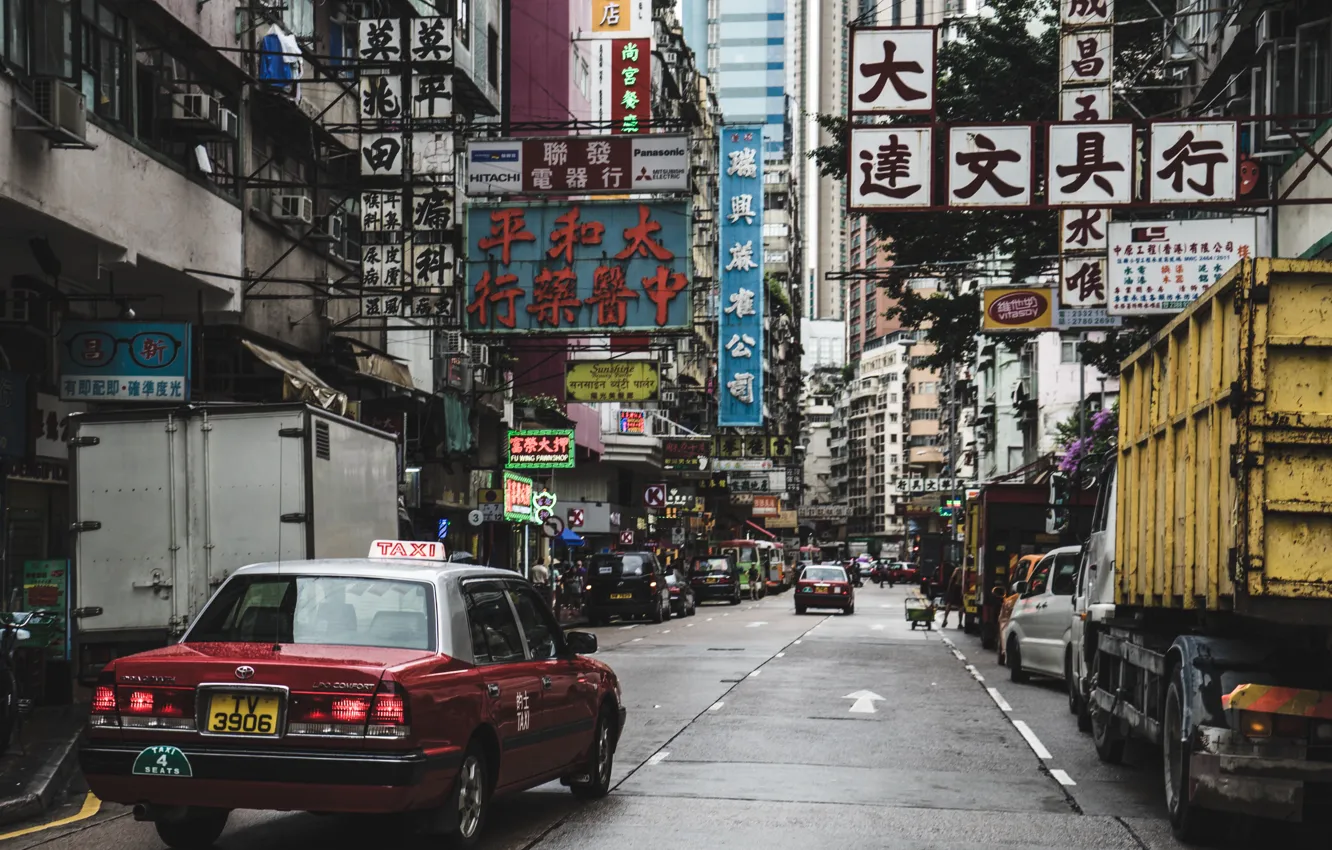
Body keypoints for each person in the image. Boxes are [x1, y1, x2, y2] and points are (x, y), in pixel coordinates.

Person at [939, 564, 965, 629]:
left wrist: (948, 590)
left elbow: (951, 580)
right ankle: (960, 623)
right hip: (959, 589)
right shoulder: (963, 571)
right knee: (961, 606)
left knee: (949, 604)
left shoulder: (956, 570)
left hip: (953, 588)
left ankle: (945, 620)